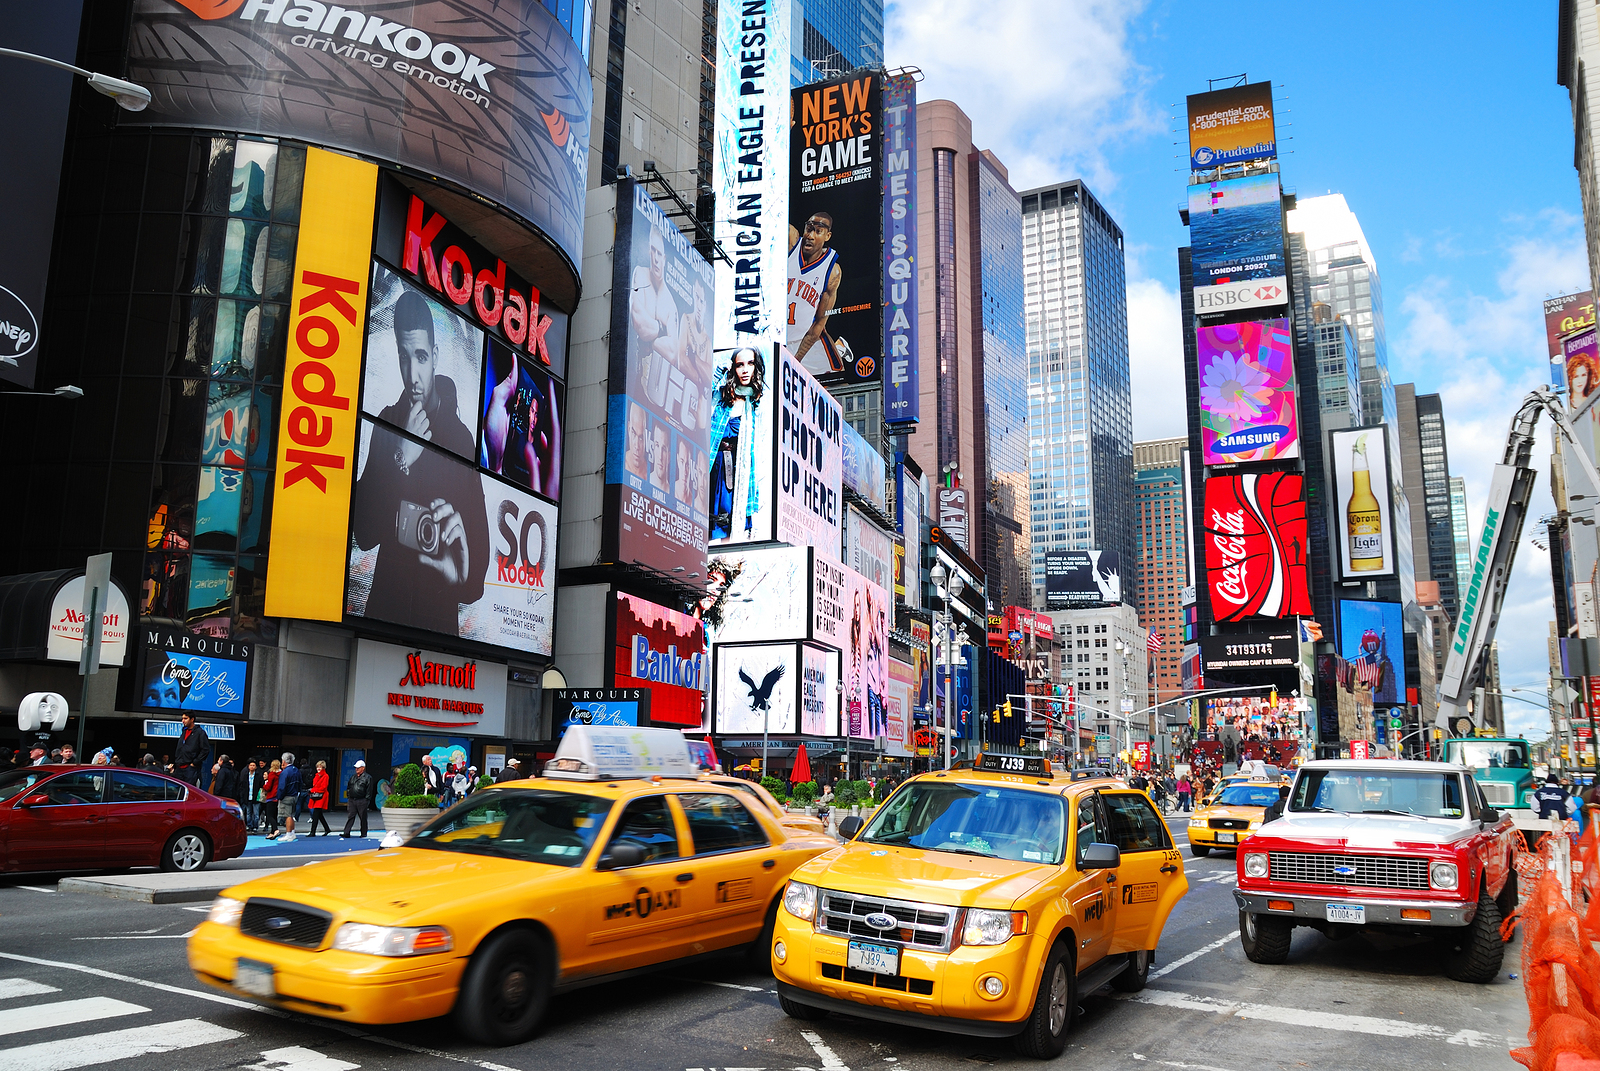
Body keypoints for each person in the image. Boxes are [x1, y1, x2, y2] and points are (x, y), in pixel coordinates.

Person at [350, 289, 489, 636]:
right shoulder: (386, 422)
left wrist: (461, 578)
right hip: (384, 617)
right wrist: (402, 459)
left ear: (436, 356)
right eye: (404, 357)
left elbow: (475, 577)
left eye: (422, 357)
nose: (412, 374)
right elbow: (364, 534)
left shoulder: (460, 440)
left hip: (440, 627)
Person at [708, 347, 765, 541]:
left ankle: (724, 562)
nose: (745, 370)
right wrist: (718, 373)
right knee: (706, 516)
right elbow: (700, 396)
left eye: (750, 364)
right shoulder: (722, 395)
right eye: (740, 365)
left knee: (731, 520)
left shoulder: (756, 402)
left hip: (737, 469)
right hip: (713, 463)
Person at [786, 213, 844, 374]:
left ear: (828, 236)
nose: (810, 236)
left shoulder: (832, 271)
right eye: (809, 229)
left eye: (818, 231)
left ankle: (839, 347)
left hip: (805, 340)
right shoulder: (792, 242)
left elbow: (819, 323)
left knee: (838, 383)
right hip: (775, 335)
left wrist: (795, 360)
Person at [171, 712, 210, 787]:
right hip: (179, 767)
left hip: (190, 768)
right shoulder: (184, 731)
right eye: (182, 718)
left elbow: (205, 749)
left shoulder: (200, 733)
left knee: (190, 790)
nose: (183, 721)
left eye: (185, 718)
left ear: (192, 719)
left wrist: (195, 763)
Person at [342, 760, 373, 838]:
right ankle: (346, 832)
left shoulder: (368, 777)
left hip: (362, 800)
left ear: (363, 768)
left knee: (363, 817)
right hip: (352, 799)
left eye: (358, 768)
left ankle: (363, 833)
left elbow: (369, 790)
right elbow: (349, 786)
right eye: (356, 768)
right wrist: (349, 796)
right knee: (350, 816)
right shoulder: (353, 777)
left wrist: (366, 800)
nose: (356, 769)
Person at [277, 752, 301, 842]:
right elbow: (300, 783)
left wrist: (279, 796)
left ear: (284, 761)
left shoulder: (285, 772)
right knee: (291, 814)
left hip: (287, 795)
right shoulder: (296, 770)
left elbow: (282, 787)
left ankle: (288, 833)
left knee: (287, 815)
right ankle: (292, 832)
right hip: (294, 794)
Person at [307, 760, 333, 836]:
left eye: (320, 767)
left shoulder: (325, 776)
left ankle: (313, 832)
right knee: (319, 814)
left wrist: (313, 790)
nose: (318, 768)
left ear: (323, 768)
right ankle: (327, 829)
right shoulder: (317, 775)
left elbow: (323, 787)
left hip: (321, 796)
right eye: (318, 767)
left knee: (316, 814)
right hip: (317, 795)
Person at [262, 759, 281, 839]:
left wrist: (264, 785)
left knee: (269, 815)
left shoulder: (272, 774)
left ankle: (275, 829)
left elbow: (268, 787)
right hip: (277, 796)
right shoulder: (281, 774)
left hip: (271, 796)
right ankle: (272, 832)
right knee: (274, 815)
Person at [241, 760, 262, 832]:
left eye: (253, 765)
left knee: (256, 814)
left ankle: (255, 827)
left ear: (256, 767)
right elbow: (242, 786)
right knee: (248, 813)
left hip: (256, 797)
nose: (252, 767)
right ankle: (249, 826)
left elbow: (261, 786)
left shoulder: (259, 775)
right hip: (247, 796)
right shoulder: (245, 775)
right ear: (248, 766)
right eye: (251, 765)